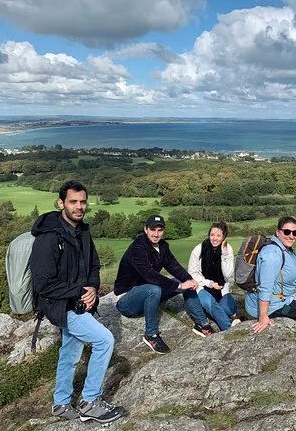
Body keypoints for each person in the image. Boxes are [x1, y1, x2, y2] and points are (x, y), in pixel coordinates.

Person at [30, 180, 123, 423]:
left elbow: (93, 265)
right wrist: (80, 291)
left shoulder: (82, 231)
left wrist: (92, 287)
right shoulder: (48, 238)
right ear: (61, 203)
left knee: (70, 353)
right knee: (104, 340)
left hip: (78, 300)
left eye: (83, 202)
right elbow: (43, 284)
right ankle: (90, 401)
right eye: (73, 202)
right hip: (59, 304)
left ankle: (61, 404)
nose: (79, 206)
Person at [114, 214, 214, 354]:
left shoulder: (163, 246)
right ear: (146, 229)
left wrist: (188, 280)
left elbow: (174, 267)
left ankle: (201, 324)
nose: (156, 234)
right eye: (152, 230)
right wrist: (178, 286)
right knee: (155, 289)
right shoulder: (138, 247)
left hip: (149, 293)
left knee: (186, 283)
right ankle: (151, 335)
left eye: (160, 230)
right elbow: (149, 274)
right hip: (127, 300)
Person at [188, 221, 240, 331]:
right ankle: (229, 329)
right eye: (212, 235)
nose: (214, 238)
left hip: (221, 287)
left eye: (218, 235)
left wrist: (224, 255)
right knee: (211, 304)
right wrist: (210, 283)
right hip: (202, 286)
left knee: (229, 309)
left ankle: (229, 315)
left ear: (223, 237)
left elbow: (228, 274)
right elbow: (192, 273)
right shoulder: (199, 249)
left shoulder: (228, 249)